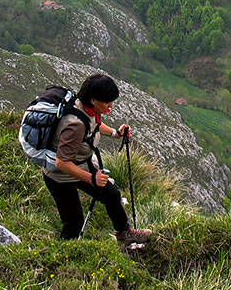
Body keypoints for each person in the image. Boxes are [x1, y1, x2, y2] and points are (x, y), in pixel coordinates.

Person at [42, 73, 151, 243]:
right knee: (74, 223)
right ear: (94, 100)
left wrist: (115, 133)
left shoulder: (84, 108)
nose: (110, 105)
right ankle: (65, 258)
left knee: (112, 195)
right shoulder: (75, 125)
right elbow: (61, 162)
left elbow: (95, 124)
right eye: (107, 102)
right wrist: (92, 178)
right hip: (60, 177)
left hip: (81, 165)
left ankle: (124, 233)